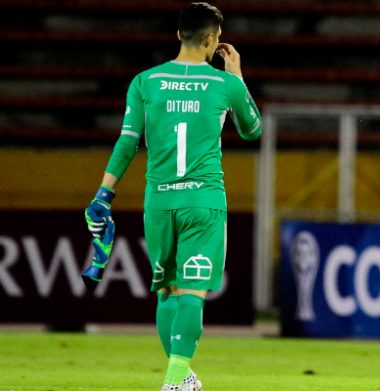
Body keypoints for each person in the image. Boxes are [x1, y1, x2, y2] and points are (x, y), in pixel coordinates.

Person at [80, 3, 262, 390]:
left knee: (166, 291)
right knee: (192, 292)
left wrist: (103, 193)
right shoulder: (224, 83)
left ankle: (181, 378)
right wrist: (237, 76)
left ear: (179, 34)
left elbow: (127, 142)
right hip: (203, 201)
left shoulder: (145, 81)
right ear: (212, 39)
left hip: (159, 202)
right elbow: (252, 129)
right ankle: (176, 379)